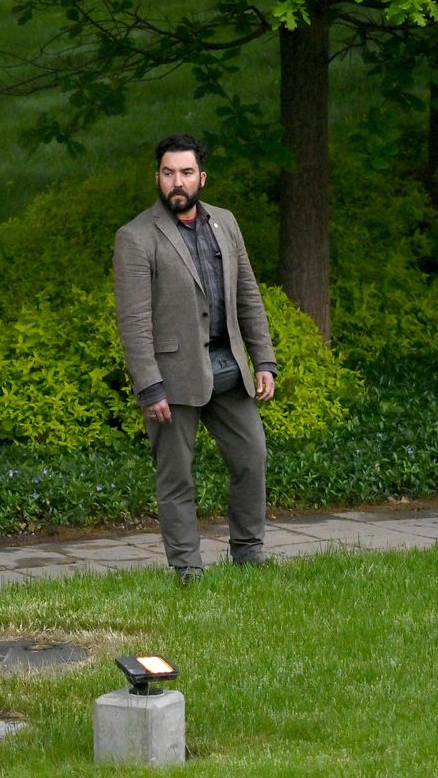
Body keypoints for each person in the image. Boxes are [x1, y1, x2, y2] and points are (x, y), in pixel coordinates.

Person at [114, 133, 277, 584]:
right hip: (172, 378)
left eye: (186, 173)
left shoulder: (225, 223)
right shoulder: (135, 237)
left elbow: (248, 296)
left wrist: (264, 360)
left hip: (229, 368)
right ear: (157, 177)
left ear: (202, 177)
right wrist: (149, 385)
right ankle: (187, 568)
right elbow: (134, 320)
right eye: (168, 173)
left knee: (251, 458)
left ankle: (249, 553)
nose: (177, 182)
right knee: (177, 477)